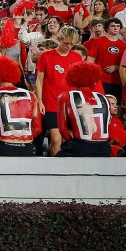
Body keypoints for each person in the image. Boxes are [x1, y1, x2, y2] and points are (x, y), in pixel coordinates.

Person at [35, 25, 83, 156]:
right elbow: (39, 80)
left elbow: (79, 82)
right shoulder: (46, 56)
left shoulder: (76, 58)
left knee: (67, 139)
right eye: (66, 43)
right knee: (56, 139)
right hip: (51, 102)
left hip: (70, 104)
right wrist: (39, 100)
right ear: (60, 39)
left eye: (72, 44)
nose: (68, 47)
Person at [0, 55, 41, 156]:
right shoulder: (31, 96)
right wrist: (22, 142)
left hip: (3, 146)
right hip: (28, 148)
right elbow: (37, 128)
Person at [56, 62, 111, 157]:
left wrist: (72, 142)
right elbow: (108, 124)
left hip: (80, 147)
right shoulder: (103, 97)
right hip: (104, 148)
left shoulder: (65, 96)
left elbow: (62, 129)